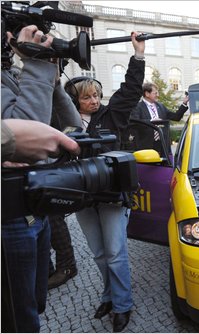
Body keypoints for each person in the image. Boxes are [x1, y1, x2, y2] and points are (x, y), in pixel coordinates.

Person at [1, 24, 82, 333]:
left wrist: (52, 78)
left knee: (36, 303)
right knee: (21, 319)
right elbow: (21, 137)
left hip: (34, 213)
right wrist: (36, 66)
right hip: (8, 220)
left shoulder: (10, 75)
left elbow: (74, 129)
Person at [64, 31, 145, 333]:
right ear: (75, 100)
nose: (94, 100)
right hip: (82, 197)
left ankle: (122, 305)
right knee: (99, 254)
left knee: (115, 253)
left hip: (112, 196)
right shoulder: (64, 120)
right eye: (87, 97)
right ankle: (108, 295)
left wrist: (137, 55)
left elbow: (131, 89)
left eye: (96, 95)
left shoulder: (113, 115)